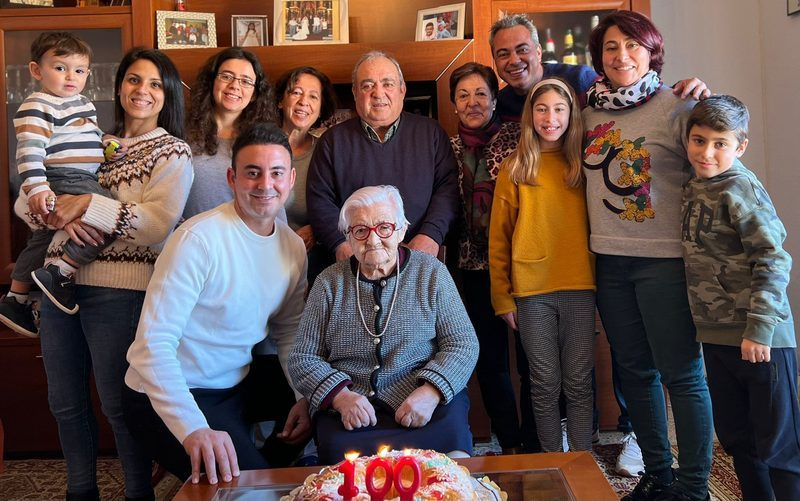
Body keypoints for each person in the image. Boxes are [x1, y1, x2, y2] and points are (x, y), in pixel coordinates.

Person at [12, 47, 193, 501]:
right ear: (118, 86)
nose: (143, 91)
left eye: (154, 83)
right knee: (65, 403)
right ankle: (80, 491)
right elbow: (25, 199)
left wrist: (87, 204)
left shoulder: (173, 150)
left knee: (119, 406)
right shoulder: (88, 136)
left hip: (121, 292)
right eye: (134, 80)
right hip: (56, 286)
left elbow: (155, 225)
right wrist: (58, 214)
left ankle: (137, 494)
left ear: (166, 94)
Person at [122, 123, 311, 486]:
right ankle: (240, 477)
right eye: (252, 173)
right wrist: (193, 428)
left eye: (275, 174)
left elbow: (289, 332)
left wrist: (303, 396)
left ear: (289, 179)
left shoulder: (292, 246)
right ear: (232, 178)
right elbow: (152, 347)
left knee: (322, 402)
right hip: (165, 393)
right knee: (248, 487)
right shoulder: (197, 239)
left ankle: (249, 469)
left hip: (235, 383)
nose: (264, 184)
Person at [582, 11, 713, 501]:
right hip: (609, 262)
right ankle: (658, 476)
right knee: (634, 371)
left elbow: (717, 154)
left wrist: (710, 98)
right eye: (612, 47)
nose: (622, 56)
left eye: (633, 46)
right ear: (599, 57)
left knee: (681, 373)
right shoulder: (589, 110)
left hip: (665, 262)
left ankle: (694, 486)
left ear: (651, 51)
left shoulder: (678, 107)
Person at [288, 185, 479, 464]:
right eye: (361, 230)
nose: (373, 239)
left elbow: (462, 343)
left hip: (425, 404)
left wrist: (431, 392)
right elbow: (303, 357)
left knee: (450, 460)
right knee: (344, 471)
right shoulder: (328, 283)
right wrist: (341, 398)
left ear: (402, 230)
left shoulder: (431, 273)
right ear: (348, 237)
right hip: (353, 411)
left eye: (384, 227)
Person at [681, 95, 800, 501]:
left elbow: (773, 258)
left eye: (720, 143)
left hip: (760, 340)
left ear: (740, 146)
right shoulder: (694, 185)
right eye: (699, 140)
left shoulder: (741, 188)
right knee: (738, 441)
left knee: (780, 446)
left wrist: (760, 330)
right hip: (716, 336)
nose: (707, 152)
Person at [490, 77, 595, 453]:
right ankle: (554, 462)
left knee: (580, 381)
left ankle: (583, 462)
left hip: (581, 287)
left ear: (572, 115)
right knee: (544, 382)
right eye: (542, 109)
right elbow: (499, 240)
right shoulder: (515, 168)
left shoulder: (584, 166)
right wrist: (502, 298)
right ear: (529, 115)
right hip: (531, 293)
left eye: (559, 109)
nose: (550, 118)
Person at [0, 32, 123, 336]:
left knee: (41, 237)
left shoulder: (83, 103)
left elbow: (87, 136)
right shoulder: (38, 104)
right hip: (65, 177)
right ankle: (60, 272)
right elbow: (29, 150)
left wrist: (104, 144)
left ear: (88, 75)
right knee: (113, 217)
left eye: (79, 70)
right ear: (36, 70)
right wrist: (38, 188)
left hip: (76, 176)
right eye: (60, 68)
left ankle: (15, 297)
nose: (71, 76)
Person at [306, 50, 458, 263]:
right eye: (367, 85)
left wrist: (431, 235)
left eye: (388, 84)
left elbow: (447, 189)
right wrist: (339, 244)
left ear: (402, 90)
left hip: (418, 257)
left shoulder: (431, 133)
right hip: (355, 260)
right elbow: (319, 200)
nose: (378, 93)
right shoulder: (332, 141)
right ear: (355, 92)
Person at [446, 62, 528, 454]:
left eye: (481, 93)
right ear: (454, 104)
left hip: (523, 265)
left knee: (534, 360)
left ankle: (539, 439)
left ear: (495, 99)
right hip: (472, 270)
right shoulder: (449, 149)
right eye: (463, 95)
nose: (473, 102)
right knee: (490, 361)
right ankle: (509, 442)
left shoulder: (519, 138)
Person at [489, 14, 710, 122]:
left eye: (522, 49)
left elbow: (629, 96)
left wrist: (679, 91)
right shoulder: (501, 104)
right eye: (503, 53)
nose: (514, 60)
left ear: (538, 51)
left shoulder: (581, 80)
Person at [183, 47, 276, 219]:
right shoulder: (183, 133)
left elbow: (272, 200)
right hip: (191, 238)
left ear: (255, 94)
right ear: (212, 82)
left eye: (246, 81)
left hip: (244, 238)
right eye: (226, 76)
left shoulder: (263, 140)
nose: (234, 86)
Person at [275, 66, 336, 281]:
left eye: (313, 96)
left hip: (311, 258)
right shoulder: (259, 147)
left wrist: (317, 229)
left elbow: (340, 203)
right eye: (296, 92)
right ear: (281, 101)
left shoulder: (327, 151)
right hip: (261, 254)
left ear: (321, 108)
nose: (304, 101)